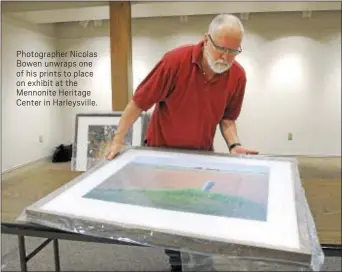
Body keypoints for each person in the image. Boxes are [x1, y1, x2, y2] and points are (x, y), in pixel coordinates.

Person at [106, 13, 258, 272]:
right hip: (160, 155)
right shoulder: (175, 62)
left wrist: (234, 145)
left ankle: (190, 261)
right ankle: (178, 263)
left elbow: (228, 119)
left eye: (233, 51)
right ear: (206, 39)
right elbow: (139, 103)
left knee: (197, 214)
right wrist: (117, 139)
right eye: (221, 48)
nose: (225, 57)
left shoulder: (238, 76)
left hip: (200, 157)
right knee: (170, 217)